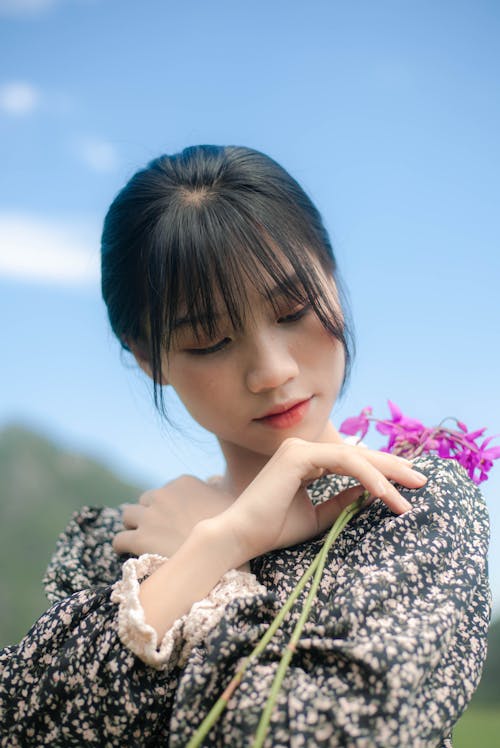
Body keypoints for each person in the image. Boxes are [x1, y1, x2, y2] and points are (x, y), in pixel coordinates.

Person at [0, 145, 491, 747]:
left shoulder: (409, 504)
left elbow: (349, 733)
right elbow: (21, 724)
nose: (271, 371)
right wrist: (221, 543)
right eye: (209, 341)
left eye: (293, 309)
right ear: (148, 357)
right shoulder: (116, 543)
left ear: (331, 278)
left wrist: (215, 567)